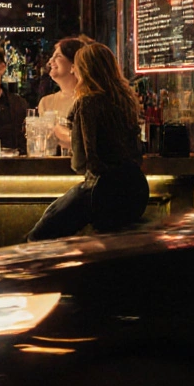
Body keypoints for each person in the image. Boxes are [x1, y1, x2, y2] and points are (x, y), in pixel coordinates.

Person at [27, 43, 148, 241]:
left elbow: (82, 161)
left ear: (85, 70)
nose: (74, 70)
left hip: (100, 190)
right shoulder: (125, 101)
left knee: (38, 237)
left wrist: (70, 146)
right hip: (136, 189)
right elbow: (136, 150)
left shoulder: (87, 102)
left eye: (76, 65)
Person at [38, 36, 91, 149]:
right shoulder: (46, 102)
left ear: (73, 67)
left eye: (58, 56)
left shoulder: (89, 100)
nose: (50, 61)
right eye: (52, 56)